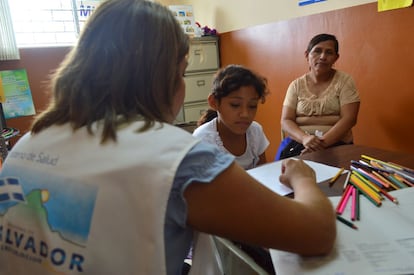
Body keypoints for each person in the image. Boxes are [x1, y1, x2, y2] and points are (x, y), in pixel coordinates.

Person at [0, 1, 336, 274]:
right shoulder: (177, 158)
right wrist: (302, 177)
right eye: (182, 71)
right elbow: (316, 233)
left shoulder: (29, 142)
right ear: (163, 77)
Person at [277, 33, 360, 160]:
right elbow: (286, 120)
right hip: (300, 143)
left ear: (336, 58)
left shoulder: (345, 81)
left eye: (329, 52)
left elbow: (349, 119)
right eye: (317, 51)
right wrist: (305, 139)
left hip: (337, 144)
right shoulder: (296, 85)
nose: (322, 57)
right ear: (307, 55)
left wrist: (319, 146)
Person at [193, 64, 270, 170]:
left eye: (252, 106)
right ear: (214, 102)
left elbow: (263, 173)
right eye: (235, 105)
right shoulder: (203, 140)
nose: (245, 114)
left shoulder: (255, 131)